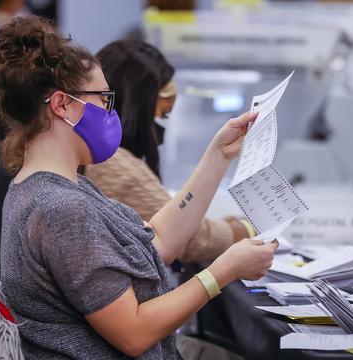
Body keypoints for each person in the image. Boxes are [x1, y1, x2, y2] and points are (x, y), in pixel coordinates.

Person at [0, 16, 277, 359]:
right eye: (104, 99)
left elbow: (155, 242)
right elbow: (135, 332)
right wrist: (225, 271)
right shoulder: (61, 209)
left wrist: (217, 156)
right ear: (62, 105)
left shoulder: (55, 187)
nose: (111, 113)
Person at [85, 40, 252, 264]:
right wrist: (248, 229)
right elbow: (193, 240)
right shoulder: (112, 164)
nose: (161, 127)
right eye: (163, 114)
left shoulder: (105, 160)